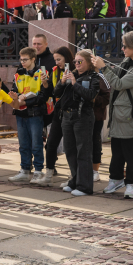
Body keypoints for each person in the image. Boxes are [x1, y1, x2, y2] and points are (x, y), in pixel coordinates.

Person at [93, 31, 133, 199]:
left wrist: (104, 67)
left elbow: (119, 84)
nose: (122, 49)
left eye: (125, 46)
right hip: (118, 114)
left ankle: (132, 184)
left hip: (130, 116)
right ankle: (116, 179)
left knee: (132, 154)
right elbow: (116, 75)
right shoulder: (128, 61)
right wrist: (104, 66)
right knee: (117, 152)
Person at [54, 50, 101, 196]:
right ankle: (74, 181)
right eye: (75, 61)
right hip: (67, 115)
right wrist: (62, 82)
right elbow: (56, 93)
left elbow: (90, 95)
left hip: (82, 116)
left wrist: (74, 83)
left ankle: (84, 187)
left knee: (83, 151)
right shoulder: (71, 73)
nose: (76, 64)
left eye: (80, 61)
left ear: (88, 62)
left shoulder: (93, 77)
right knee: (70, 150)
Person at [9, 47, 52, 183]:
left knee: (36, 143)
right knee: (23, 144)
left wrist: (25, 101)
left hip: (35, 113)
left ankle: (38, 171)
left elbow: (44, 96)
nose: (22, 62)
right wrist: (16, 96)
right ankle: (25, 169)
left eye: (25, 60)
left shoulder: (42, 73)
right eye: (21, 59)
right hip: (21, 113)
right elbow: (14, 89)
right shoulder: (18, 74)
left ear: (33, 59)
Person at [42, 47, 74, 183]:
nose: (57, 62)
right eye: (55, 60)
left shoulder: (75, 71)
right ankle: (48, 174)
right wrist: (45, 83)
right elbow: (52, 92)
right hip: (58, 112)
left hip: (72, 113)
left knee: (70, 145)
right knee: (51, 144)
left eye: (59, 59)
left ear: (67, 58)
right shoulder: (55, 72)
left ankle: (73, 175)